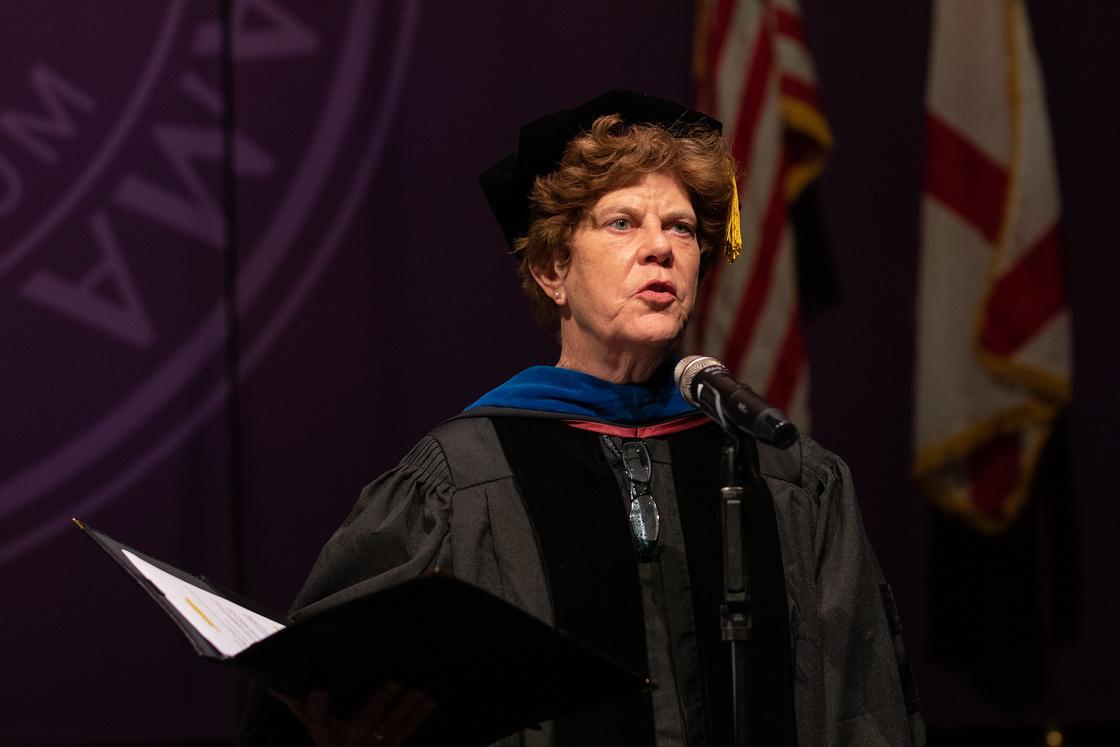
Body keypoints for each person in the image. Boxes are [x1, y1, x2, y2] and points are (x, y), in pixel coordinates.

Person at [238, 90, 924, 747]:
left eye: (682, 228)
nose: (661, 248)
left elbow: (865, 711)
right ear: (552, 268)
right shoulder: (463, 479)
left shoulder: (784, 473)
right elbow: (308, 703)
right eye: (622, 222)